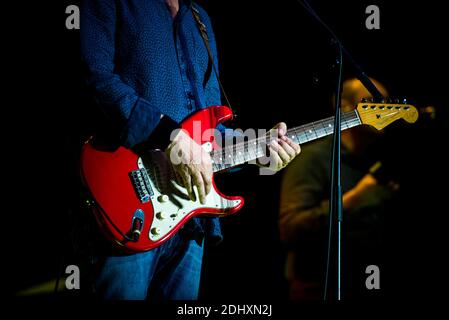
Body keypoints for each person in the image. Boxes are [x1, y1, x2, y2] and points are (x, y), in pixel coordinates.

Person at [80, 0, 300, 300]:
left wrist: (262, 150)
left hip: (190, 217)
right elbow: (95, 78)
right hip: (125, 204)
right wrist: (170, 135)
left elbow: (210, 131)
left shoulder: (199, 19)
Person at [279, 78, 397, 300]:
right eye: (374, 102)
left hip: (369, 281)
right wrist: (353, 201)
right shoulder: (314, 158)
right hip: (319, 286)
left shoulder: (377, 158)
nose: (385, 110)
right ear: (344, 106)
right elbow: (290, 229)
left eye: (388, 104)